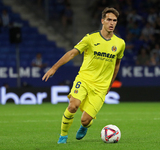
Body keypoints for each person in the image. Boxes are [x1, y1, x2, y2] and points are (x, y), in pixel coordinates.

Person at [42, 7, 125, 144]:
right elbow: (72, 53)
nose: (112, 23)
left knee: (85, 120)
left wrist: (109, 85)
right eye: (109, 19)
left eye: (114, 20)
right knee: (73, 105)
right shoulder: (90, 38)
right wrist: (54, 68)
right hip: (84, 79)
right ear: (102, 21)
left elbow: (117, 65)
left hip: (101, 87)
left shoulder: (120, 43)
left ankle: (85, 126)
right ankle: (63, 136)